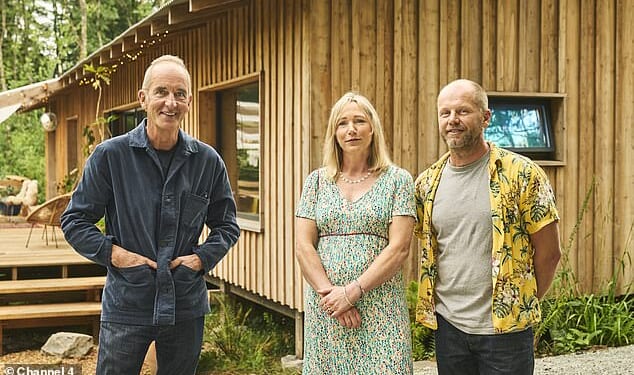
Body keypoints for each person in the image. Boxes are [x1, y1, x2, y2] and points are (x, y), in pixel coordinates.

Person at [61, 54, 240, 375]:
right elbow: (75, 221)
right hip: (128, 303)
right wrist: (115, 255)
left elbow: (226, 225)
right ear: (143, 99)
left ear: (188, 101)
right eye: (161, 92)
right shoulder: (110, 157)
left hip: (184, 304)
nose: (170, 102)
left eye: (180, 94)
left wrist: (200, 259)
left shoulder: (207, 161)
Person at [414, 79, 561, 374]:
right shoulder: (427, 183)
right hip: (450, 330)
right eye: (445, 113)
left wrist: (518, 301)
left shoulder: (522, 174)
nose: (453, 120)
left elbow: (549, 253)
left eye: (463, 111)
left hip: (506, 333)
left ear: (485, 117)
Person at [295, 92, 416, 374]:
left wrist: (352, 292)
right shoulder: (315, 182)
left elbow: (399, 248)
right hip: (327, 308)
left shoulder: (398, 180)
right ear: (334, 133)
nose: (351, 129)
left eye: (359, 121)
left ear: (372, 128)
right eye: (343, 123)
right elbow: (303, 246)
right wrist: (333, 297)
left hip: (380, 305)